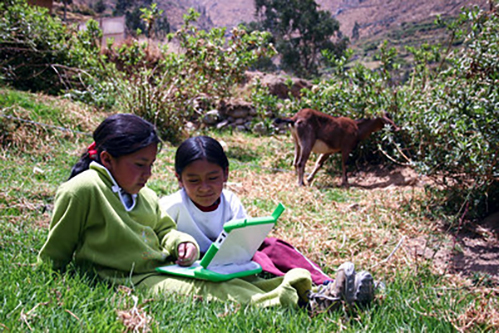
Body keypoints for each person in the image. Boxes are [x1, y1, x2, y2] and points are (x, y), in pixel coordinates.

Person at [37, 113, 350, 313]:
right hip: (129, 278)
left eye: (151, 165)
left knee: (223, 281)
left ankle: (304, 286)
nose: (147, 174)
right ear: (107, 159)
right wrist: (51, 284)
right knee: (209, 292)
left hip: (163, 268)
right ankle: (298, 301)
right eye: (139, 164)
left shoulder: (142, 194)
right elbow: (55, 252)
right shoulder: (84, 190)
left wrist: (179, 243)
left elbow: (164, 230)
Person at [159, 135, 375, 309]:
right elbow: (158, 237)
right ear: (179, 179)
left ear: (225, 174)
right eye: (193, 180)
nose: (204, 187)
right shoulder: (172, 206)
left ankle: (326, 282)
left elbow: (242, 241)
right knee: (260, 258)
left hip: (231, 262)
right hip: (197, 268)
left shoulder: (230, 200)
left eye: (213, 178)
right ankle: (311, 292)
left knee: (271, 245)